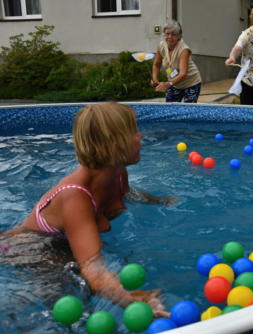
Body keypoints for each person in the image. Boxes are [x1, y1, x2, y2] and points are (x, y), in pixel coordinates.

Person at [3, 102, 173, 316]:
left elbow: (131, 193)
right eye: (133, 132)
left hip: (65, 242)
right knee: (70, 305)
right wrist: (134, 301)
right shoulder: (75, 197)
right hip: (32, 249)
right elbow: (94, 270)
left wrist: (159, 201)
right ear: (114, 145)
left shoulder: (119, 173)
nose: (140, 136)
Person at [152, 20, 202, 103]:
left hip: (191, 83)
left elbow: (183, 74)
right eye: (167, 34)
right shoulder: (161, 46)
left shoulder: (184, 49)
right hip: (174, 83)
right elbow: (156, 64)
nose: (170, 37)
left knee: (188, 111)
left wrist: (167, 84)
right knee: (170, 109)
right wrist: (154, 79)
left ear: (179, 36)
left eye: (173, 34)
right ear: (164, 34)